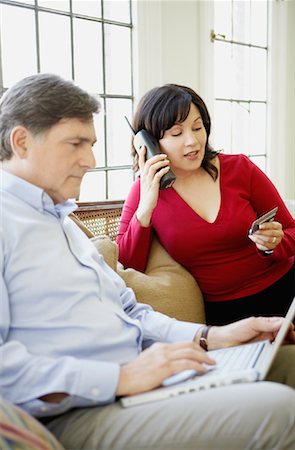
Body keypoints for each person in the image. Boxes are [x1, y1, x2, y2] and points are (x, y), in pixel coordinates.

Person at [1, 74, 295, 450]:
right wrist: (119, 377)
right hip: (87, 406)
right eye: (76, 144)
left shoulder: (62, 223)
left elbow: (131, 310)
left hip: (146, 377)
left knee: (286, 365)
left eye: (91, 145)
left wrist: (210, 337)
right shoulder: (6, 223)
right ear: (21, 141)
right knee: (280, 408)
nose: (90, 160)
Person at [117, 83, 295, 326]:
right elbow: (128, 265)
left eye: (198, 127)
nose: (193, 141)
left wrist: (274, 243)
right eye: (177, 134)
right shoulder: (143, 193)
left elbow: (291, 231)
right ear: (147, 143)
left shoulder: (240, 169)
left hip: (286, 288)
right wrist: (146, 208)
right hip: (226, 315)